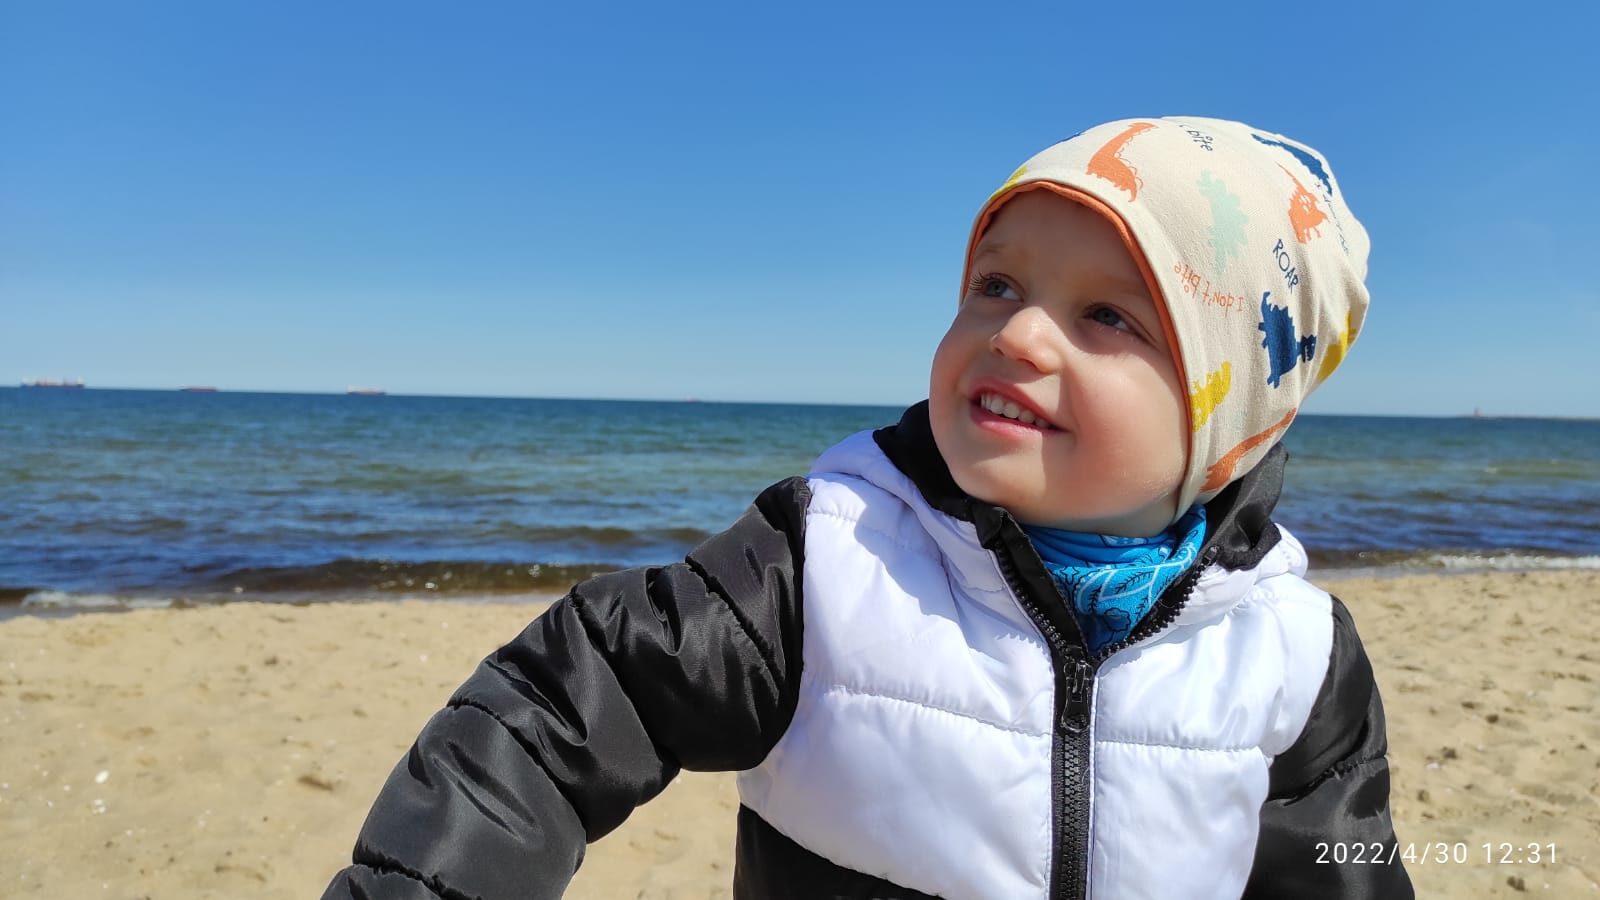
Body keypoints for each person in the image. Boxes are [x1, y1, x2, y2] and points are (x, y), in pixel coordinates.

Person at [322, 117, 1411, 899]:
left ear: (1233, 422)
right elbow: (569, 705)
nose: (1019, 334)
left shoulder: (1291, 651)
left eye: (1107, 317)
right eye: (996, 285)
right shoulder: (829, 562)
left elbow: (1340, 867)